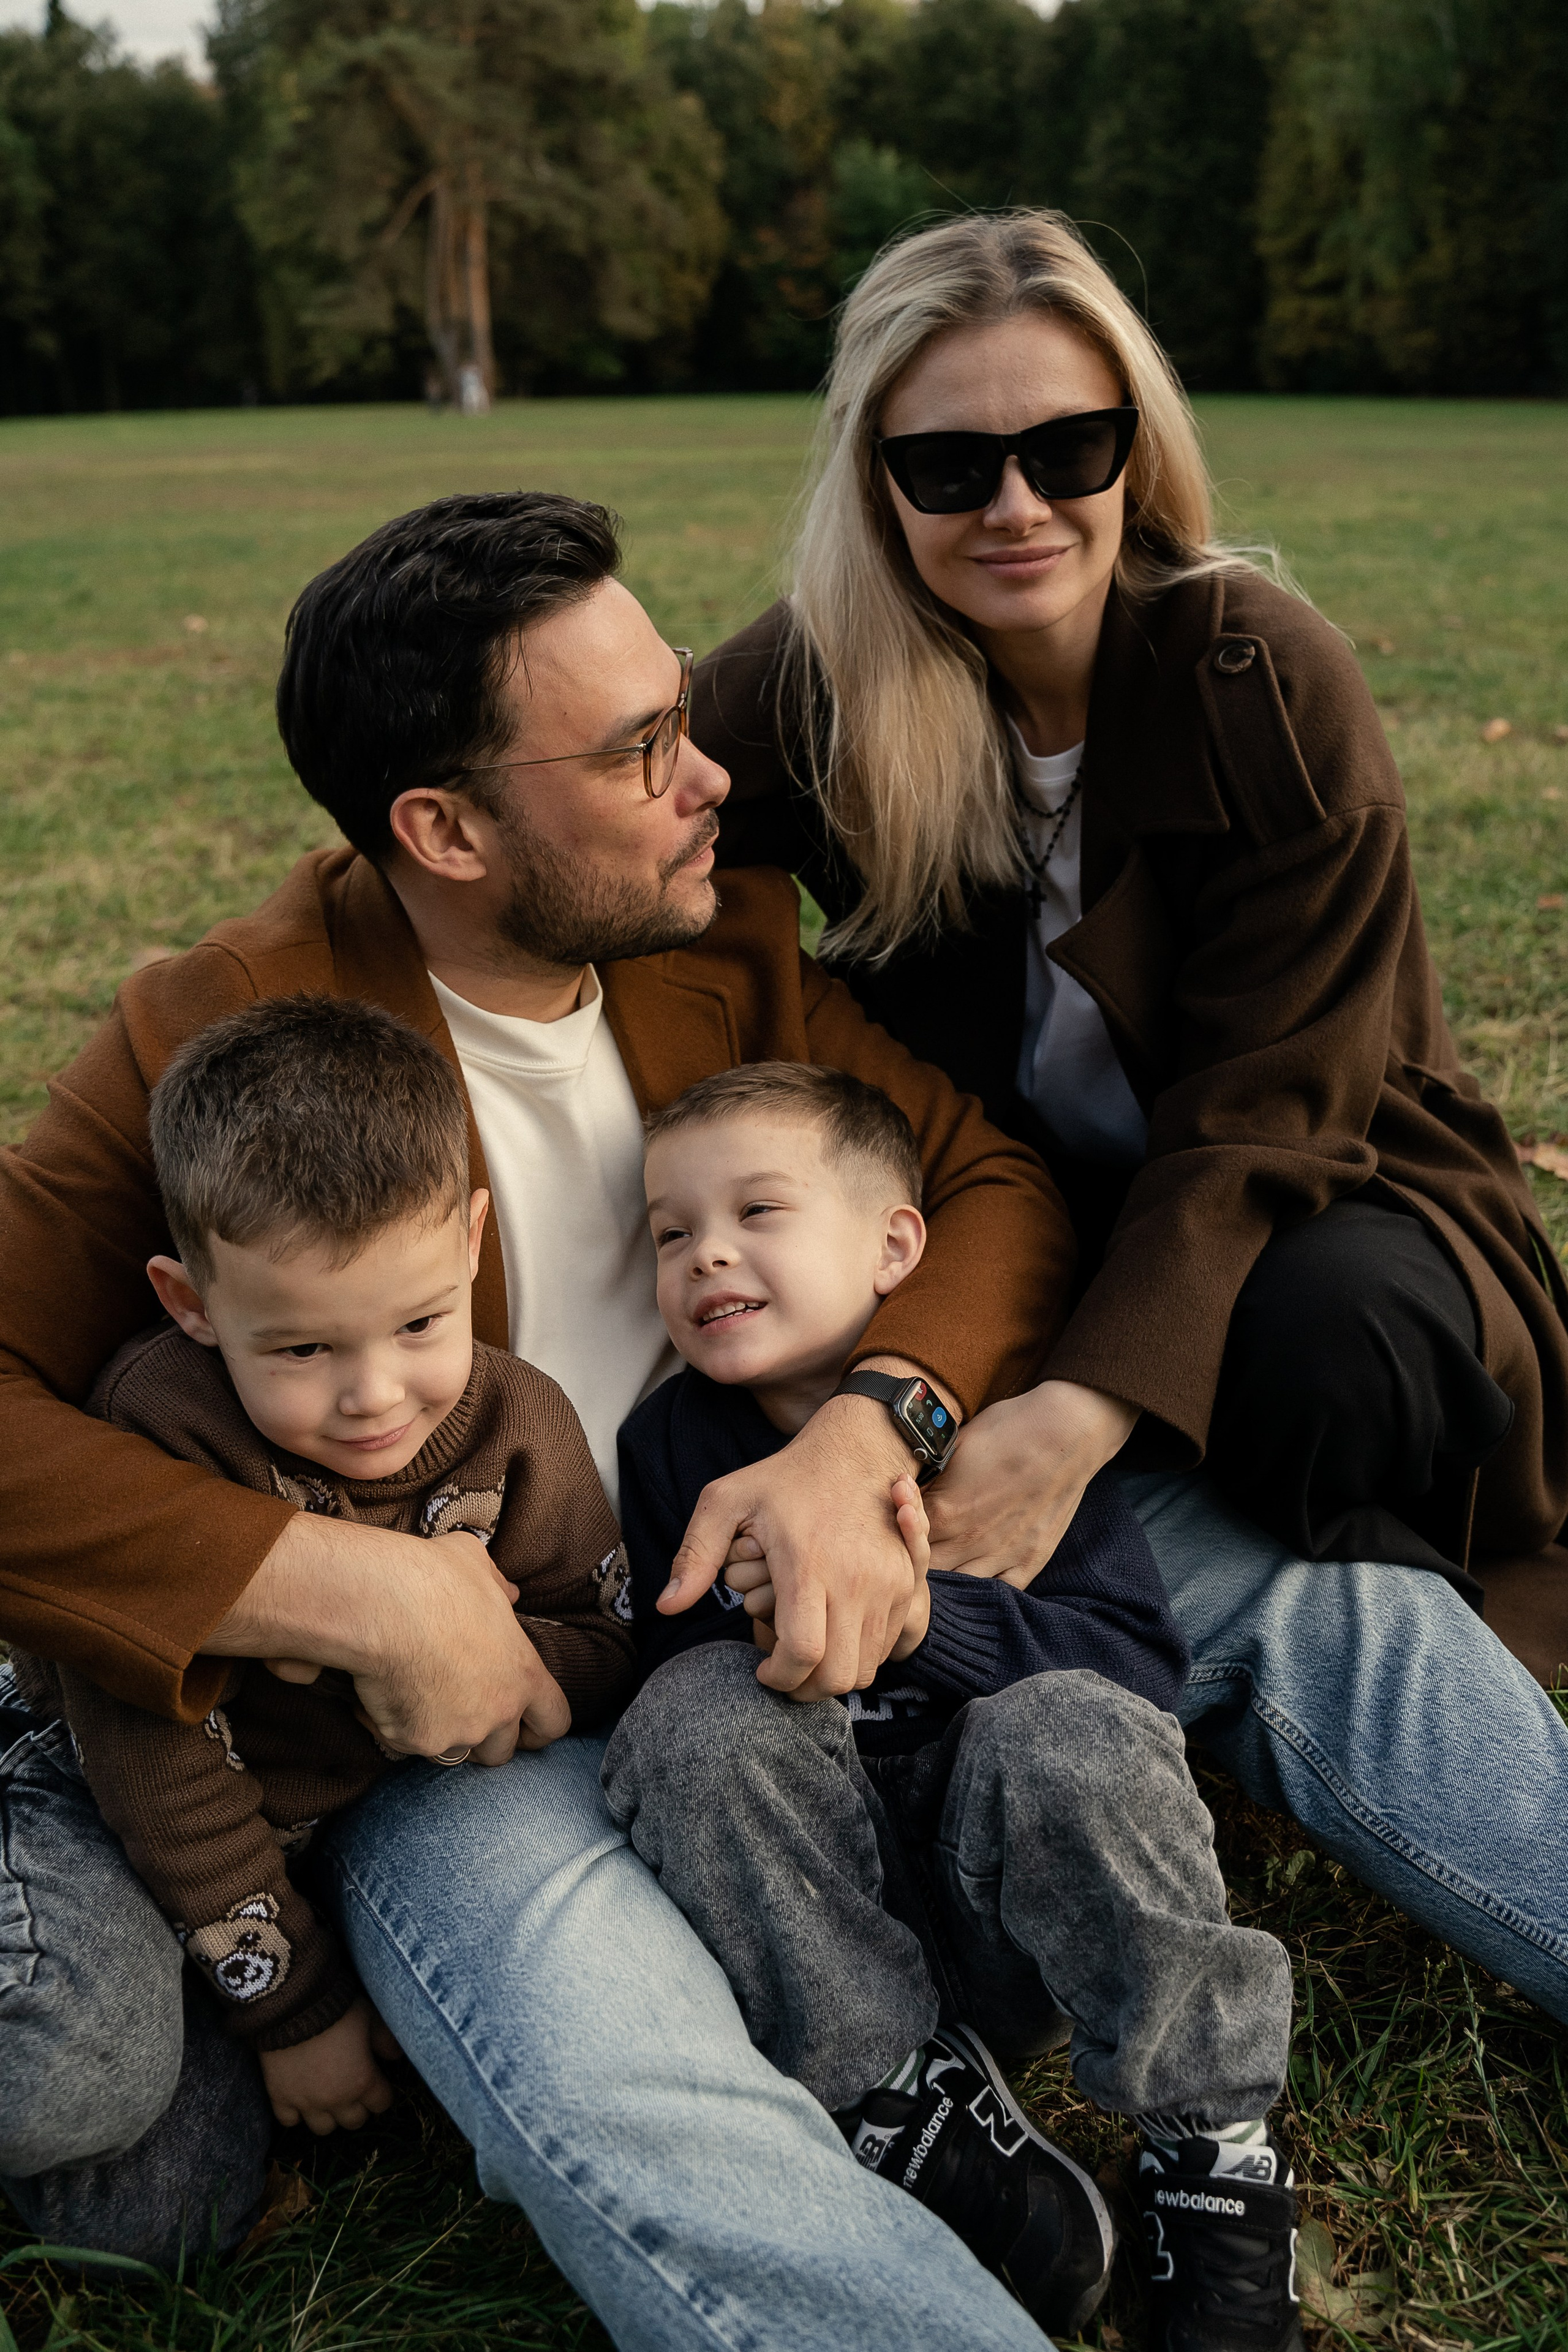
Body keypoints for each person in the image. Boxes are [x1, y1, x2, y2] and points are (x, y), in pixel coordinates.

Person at [0, 487, 1077, 2349]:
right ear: (444, 827)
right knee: (617, 2074)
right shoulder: (224, 1024)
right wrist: (355, 1593)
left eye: (684, 711)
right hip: (414, 1743)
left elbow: (988, 1183)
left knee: (1287, 1602)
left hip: (667, 1630)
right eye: (644, 743)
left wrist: (862, 1431)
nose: (714, 775)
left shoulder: (718, 943)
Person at [690, 209, 1568, 2024]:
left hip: (1339, 1207)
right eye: (948, 463)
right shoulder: (824, 680)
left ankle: (1389, 1629)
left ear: (1132, 451)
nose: (1016, 505)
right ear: (880, 484)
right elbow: (615, 817)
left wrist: (1084, 1411)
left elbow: (1271, 1117)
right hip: (1043, 1227)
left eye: (1067, 448)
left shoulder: (1257, 673)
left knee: (1315, 1350)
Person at [603, 1061, 1300, 2351]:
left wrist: (920, 1618)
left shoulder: (987, 1431)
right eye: (669, 1233)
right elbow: (675, 1698)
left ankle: (1212, 2152)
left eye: (757, 1214)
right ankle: (910, 2114)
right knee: (692, 1713)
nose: (707, 1257)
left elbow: (1131, 1667)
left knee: (1072, 1727)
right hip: (822, 1939)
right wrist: (751, 1628)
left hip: (1024, 1907)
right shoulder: (669, 1448)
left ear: (894, 1245)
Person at [10, 994, 635, 2137]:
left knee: (179, 2192)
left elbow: (601, 1646)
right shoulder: (162, 1436)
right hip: (129, 1805)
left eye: (419, 1325)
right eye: (301, 1348)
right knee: (71, 2078)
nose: (373, 1395)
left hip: (338, 1827)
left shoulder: (520, 1422)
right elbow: (162, 1771)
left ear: (472, 1241)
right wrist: (296, 2010)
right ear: (190, 1304)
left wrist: (484, 1649)